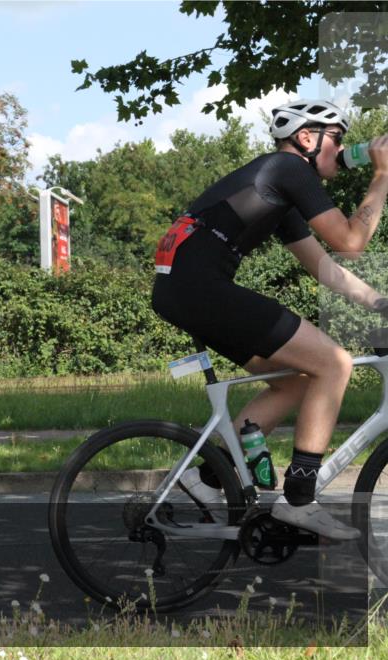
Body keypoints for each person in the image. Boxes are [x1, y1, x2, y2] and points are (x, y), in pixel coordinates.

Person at [151, 99, 388, 540]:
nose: (341, 149)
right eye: (336, 139)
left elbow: (327, 269)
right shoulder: (288, 169)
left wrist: (381, 305)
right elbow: (351, 242)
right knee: (333, 363)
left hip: (181, 289)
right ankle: (300, 499)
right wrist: (382, 175)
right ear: (306, 138)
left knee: (296, 380)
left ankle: (207, 478)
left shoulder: (277, 188)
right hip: (199, 287)